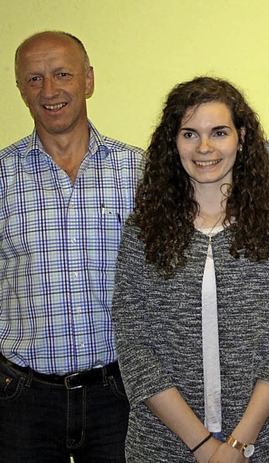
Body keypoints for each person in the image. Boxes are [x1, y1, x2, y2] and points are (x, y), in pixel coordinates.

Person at [111, 76, 269, 463]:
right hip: (163, 446)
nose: (204, 148)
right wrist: (203, 446)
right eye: (190, 134)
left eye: (218, 132)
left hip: (266, 443)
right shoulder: (144, 230)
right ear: (173, 143)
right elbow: (133, 342)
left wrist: (239, 444)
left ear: (241, 137)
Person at [0, 31, 144, 462]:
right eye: (34, 78)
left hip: (119, 395)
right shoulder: (2, 175)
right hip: (21, 400)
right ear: (21, 88)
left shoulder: (139, 171)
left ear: (88, 80)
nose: (49, 90)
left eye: (62, 74)